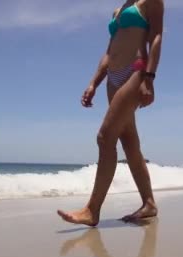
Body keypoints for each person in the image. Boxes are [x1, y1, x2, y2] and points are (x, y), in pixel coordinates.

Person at [57, 0, 164, 227]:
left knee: (105, 138)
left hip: (136, 70)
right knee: (129, 143)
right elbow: (108, 52)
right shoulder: (119, 9)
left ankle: (91, 210)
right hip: (113, 77)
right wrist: (93, 83)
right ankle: (149, 203)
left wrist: (149, 77)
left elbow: (156, 36)